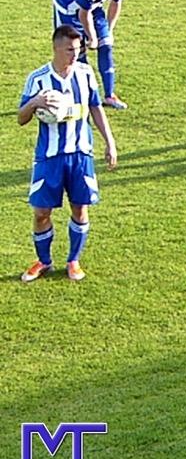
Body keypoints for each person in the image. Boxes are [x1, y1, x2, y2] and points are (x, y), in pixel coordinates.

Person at [19, 25, 118, 283]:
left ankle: (73, 260)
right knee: (41, 212)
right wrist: (35, 103)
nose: (75, 55)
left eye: (77, 49)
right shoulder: (38, 79)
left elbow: (95, 108)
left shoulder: (85, 74)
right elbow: (21, 118)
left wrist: (110, 142)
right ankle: (44, 261)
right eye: (69, 50)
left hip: (80, 154)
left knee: (80, 208)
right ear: (56, 48)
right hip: (49, 157)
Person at [52, 0, 132, 109]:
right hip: (68, 7)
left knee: (106, 45)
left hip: (92, 7)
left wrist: (109, 30)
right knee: (76, 52)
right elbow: (83, 14)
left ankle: (109, 95)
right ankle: (85, 95)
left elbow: (116, 3)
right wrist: (92, 37)